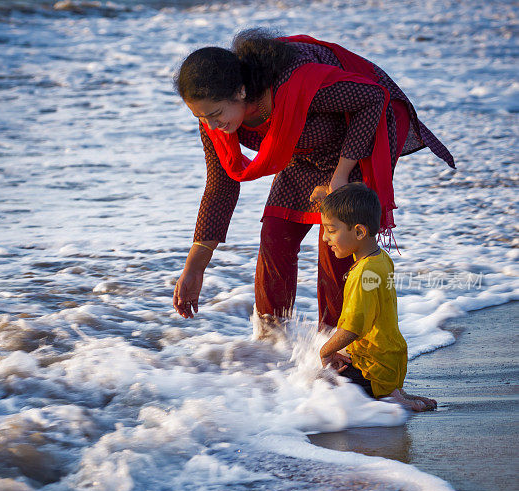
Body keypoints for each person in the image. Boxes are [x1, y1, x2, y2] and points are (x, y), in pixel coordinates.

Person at [172, 29, 454, 328]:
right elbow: (221, 187)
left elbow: (374, 99)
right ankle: (271, 344)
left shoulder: (298, 83)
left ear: (241, 91)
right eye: (201, 117)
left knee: (337, 243)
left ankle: (338, 352)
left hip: (357, 139)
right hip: (302, 150)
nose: (211, 124)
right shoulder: (215, 119)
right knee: (274, 236)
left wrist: (341, 175)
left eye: (215, 114)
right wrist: (195, 268)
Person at [319, 183, 436, 412]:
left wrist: (325, 351)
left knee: (317, 385)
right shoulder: (381, 258)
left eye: (331, 230)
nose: (325, 238)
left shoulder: (364, 273)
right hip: (390, 360)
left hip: (372, 367)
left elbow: (353, 328)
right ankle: (394, 392)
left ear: (360, 232)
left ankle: (389, 396)